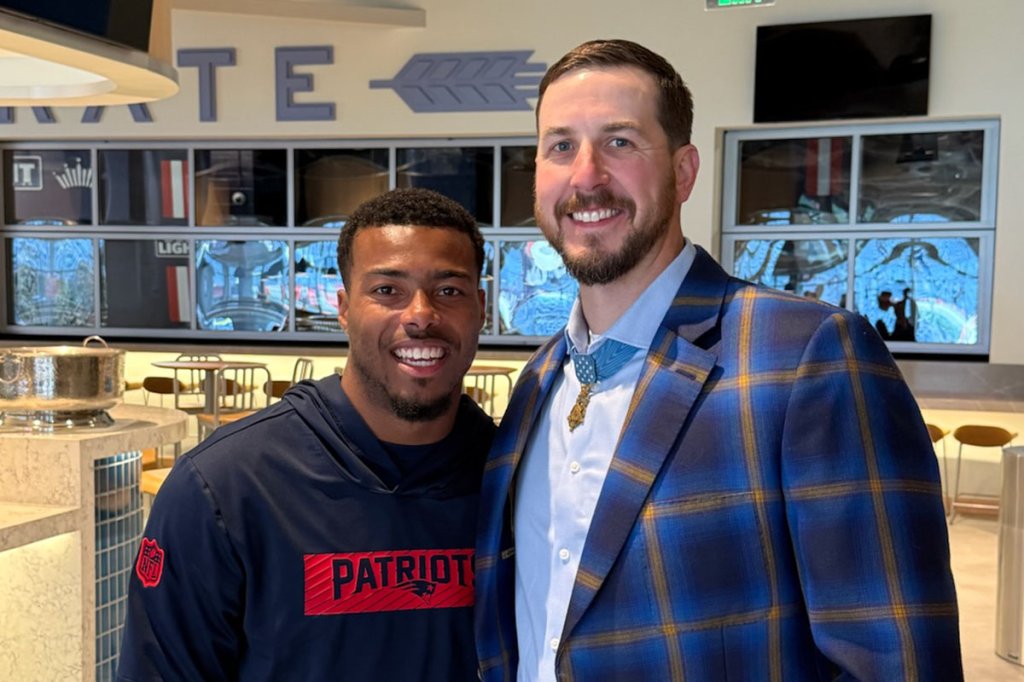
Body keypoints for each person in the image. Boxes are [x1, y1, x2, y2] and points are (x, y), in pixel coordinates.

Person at [475, 39, 961, 681]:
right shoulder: (540, 381)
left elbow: (895, 654)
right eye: (561, 146)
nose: (586, 175)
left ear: (683, 172)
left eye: (620, 142)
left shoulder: (806, 355)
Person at [118, 187, 495, 681]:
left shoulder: (516, 476)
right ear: (343, 308)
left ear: (481, 308)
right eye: (387, 290)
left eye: (449, 290)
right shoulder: (224, 488)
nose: (421, 314)